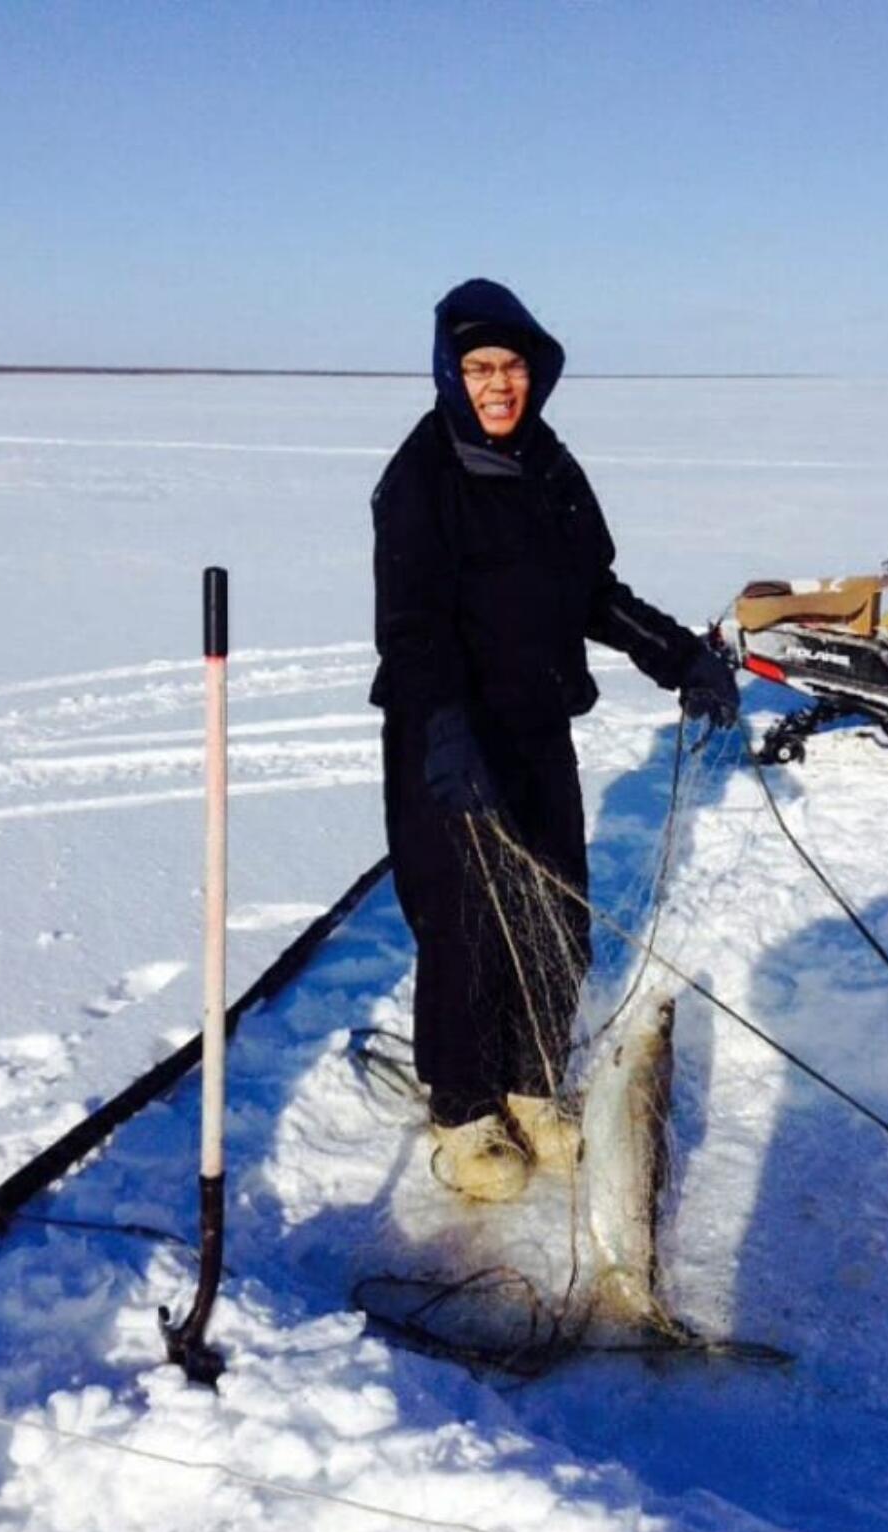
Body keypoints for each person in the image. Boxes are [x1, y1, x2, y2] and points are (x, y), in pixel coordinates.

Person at [370, 278, 737, 1203]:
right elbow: (411, 630)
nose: (499, 385)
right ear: (451, 375)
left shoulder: (550, 467)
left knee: (555, 917)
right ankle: (462, 1114)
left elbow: (592, 591)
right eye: (480, 367)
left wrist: (678, 655)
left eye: (513, 366)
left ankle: (533, 1087)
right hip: (446, 734)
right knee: (463, 927)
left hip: (534, 727)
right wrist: (446, 738)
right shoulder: (418, 479)